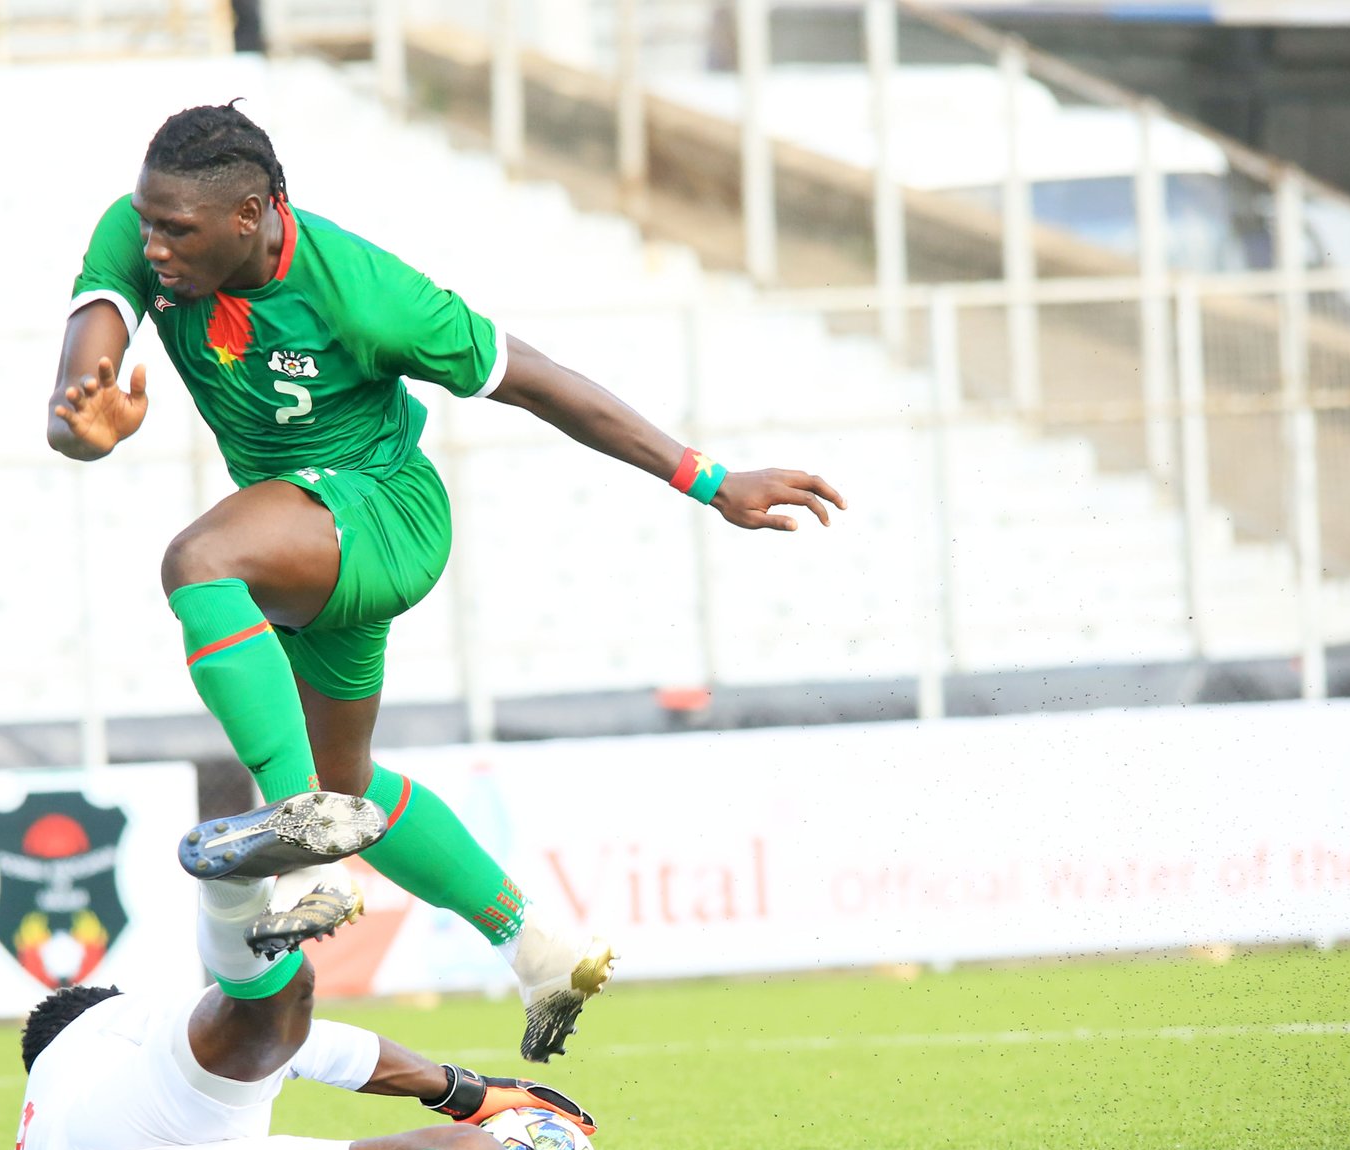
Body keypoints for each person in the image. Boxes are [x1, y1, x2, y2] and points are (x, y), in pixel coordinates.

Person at [47, 104, 845, 1061]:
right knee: (350, 783)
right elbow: (77, 394)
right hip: (299, 536)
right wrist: (81, 432)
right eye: (147, 223)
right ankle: (538, 947)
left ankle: (307, 846)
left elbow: (539, 381)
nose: (152, 246)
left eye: (176, 230)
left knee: (199, 562)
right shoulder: (142, 235)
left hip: (384, 515)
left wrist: (710, 481)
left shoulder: (365, 295)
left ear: (252, 214)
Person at [8, 790, 597, 1150]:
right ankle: (230, 890)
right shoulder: (104, 1023)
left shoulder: (33, 1144)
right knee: (271, 1016)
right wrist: (463, 1090)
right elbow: (317, 1045)